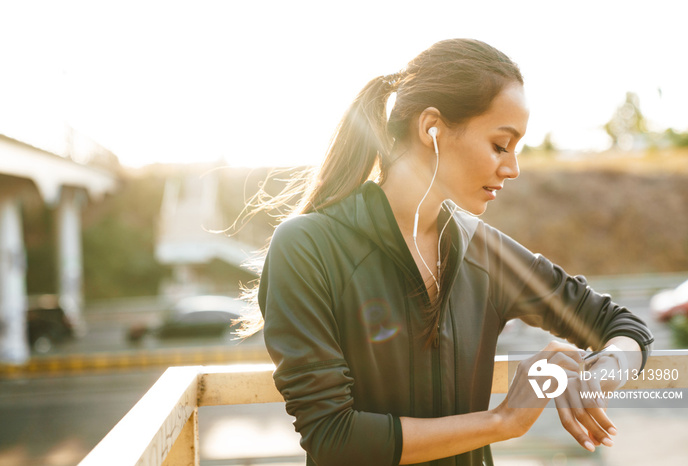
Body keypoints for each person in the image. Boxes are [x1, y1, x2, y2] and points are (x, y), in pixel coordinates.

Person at [246, 38, 654, 466]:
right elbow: (334, 439)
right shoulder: (306, 247)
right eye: (501, 144)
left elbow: (623, 327)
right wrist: (504, 420)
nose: (512, 167)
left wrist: (594, 380)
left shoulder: (485, 250)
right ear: (431, 128)